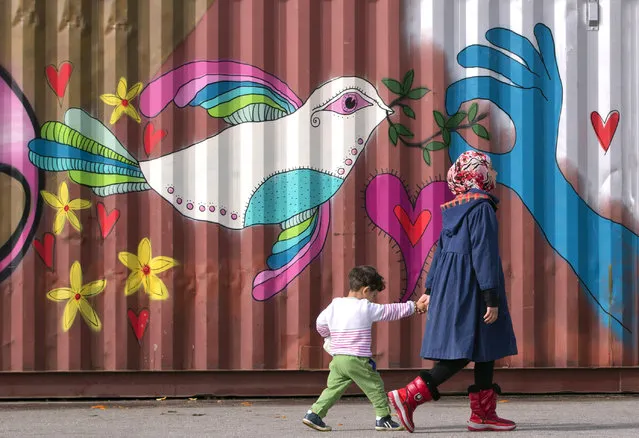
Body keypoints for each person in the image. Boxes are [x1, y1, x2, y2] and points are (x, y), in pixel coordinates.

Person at [387, 151, 518, 433]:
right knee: (465, 348)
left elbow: (440, 251)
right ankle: (409, 396)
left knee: (486, 346)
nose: (494, 175)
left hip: (452, 282)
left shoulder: (455, 207)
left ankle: (483, 415)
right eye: (490, 170)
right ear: (478, 174)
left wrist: (431, 288)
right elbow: (483, 253)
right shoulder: (482, 208)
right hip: (474, 284)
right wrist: (490, 297)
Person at [302, 265, 428, 432]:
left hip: (338, 358)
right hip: (357, 359)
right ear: (366, 290)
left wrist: (329, 338)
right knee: (375, 386)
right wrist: (414, 306)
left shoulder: (335, 305)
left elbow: (320, 324)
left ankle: (314, 414)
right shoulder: (365, 307)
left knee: (333, 389)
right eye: (374, 295)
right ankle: (383, 418)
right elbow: (390, 311)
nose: (373, 299)